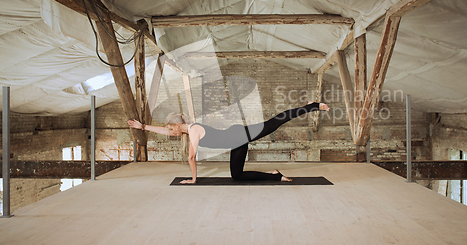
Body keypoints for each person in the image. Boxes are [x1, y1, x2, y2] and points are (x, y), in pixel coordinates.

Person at [128, 102, 330, 184]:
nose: (168, 133)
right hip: (235, 141)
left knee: (274, 123)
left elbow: (191, 157)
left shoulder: (194, 130)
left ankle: (314, 106)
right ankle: (276, 176)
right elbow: (163, 130)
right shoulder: (184, 129)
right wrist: (143, 127)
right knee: (237, 176)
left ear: (175, 126)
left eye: (169, 129)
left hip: (239, 135)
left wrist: (193, 179)